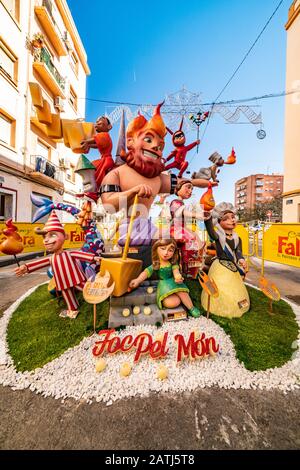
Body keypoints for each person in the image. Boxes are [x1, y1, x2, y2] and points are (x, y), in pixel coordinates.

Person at [14, 211, 101, 319]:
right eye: (44, 237)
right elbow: (39, 263)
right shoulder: (52, 258)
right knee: (68, 296)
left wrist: (93, 258)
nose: (46, 240)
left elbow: (80, 254)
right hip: (63, 283)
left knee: (87, 289)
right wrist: (26, 267)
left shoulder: (69, 253)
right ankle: (73, 309)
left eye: (52, 235)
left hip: (76, 279)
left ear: (65, 236)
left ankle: (99, 298)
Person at [129, 238, 201, 318]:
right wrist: (137, 280)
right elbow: (146, 273)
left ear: (174, 252)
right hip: (164, 284)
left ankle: (191, 308)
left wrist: (178, 277)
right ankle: (175, 297)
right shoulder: (156, 265)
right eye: (163, 249)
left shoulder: (172, 263)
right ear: (156, 249)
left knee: (182, 292)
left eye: (170, 250)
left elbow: (176, 271)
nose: (166, 253)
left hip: (174, 282)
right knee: (172, 302)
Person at [170, 180, 207, 278]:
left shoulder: (182, 204)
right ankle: (189, 271)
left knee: (195, 238)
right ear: (178, 189)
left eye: (192, 189)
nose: (190, 190)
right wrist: (198, 215)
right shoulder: (176, 202)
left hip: (180, 229)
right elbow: (182, 213)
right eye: (188, 187)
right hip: (176, 229)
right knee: (192, 241)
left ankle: (189, 269)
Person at [204, 202, 247, 275]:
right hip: (221, 264)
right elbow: (211, 232)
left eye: (233, 217)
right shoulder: (218, 236)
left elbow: (238, 251)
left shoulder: (237, 238)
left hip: (232, 264)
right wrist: (207, 219)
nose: (232, 220)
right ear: (218, 222)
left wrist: (241, 259)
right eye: (226, 219)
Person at [80, 116, 114, 187]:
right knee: (92, 167)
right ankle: (93, 185)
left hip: (106, 160)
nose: (97, 124)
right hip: (104, 159)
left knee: (92, 168)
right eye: (96, 123)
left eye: (100, 124)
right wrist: (89, 145)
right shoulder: (103, 137)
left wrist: (86, 141)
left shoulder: (105, 135)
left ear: (109, 127)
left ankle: (94, 186)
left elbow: (95, 139)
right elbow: (97, 144)